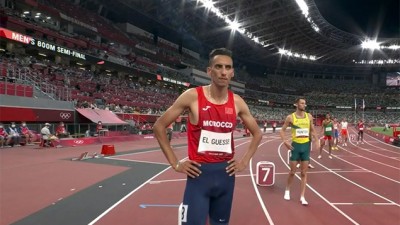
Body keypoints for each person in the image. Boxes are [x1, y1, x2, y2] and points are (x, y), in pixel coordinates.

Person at [153, 48, 262, 225]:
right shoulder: (192, 97)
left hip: (226, 176)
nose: (224, 71)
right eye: (218, 67)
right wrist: (176, 163)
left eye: (228, 67)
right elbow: (159, 126)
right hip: (199, 176)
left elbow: (257, 134)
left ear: (233, 73)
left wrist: (244, 162)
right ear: (209, 71)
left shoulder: (237, 102)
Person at [280, 97, 319, 206]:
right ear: (296, 104)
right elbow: (282, 130)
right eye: (302, 103)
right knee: (292, 172)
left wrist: (316, 140)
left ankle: (302, 196)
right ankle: (287, 190)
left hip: (306, 147)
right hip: (295, 147)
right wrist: (285, 141)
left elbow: (312, 130)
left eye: (305, 103)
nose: (304, 105)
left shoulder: (309, 116)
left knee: (303, 173)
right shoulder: (290, 117)